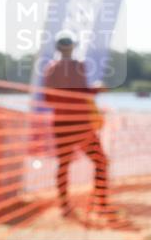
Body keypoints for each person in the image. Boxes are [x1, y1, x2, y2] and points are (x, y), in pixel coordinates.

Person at [41, 30, 121, 227]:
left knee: (69, 164)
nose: (68, 48)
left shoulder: (54, 68)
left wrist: (86, 92)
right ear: (66, 47)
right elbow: (80, 94)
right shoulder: (73, 67)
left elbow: (50, 99)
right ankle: (93, 204)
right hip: (77, 125)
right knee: (96, 162)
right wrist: (94, 89)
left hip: (66, 124)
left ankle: (70, 205)